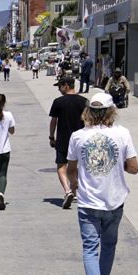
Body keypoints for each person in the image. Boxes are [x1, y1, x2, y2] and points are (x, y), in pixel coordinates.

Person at [66, 92, 138, 275]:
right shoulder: (122, 133)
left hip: (88, 201)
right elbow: (134, 168)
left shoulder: (77, 136)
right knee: (108, 246)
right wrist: (117, 164)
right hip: (114, 201)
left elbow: (71, 168)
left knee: (90, 248)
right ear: (111, 112)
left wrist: (74, 184)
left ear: (88, 112)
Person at [48, 76, 88, 209]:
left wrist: (51, 137)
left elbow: (54, 121)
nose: (59, 89)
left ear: (66, 85)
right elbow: (89, 120)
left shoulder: (58, 102)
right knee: (78, 166)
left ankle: (67, 190)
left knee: (61, 165)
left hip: (63, 139)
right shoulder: (84, 101)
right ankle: (75, 191)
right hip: (81, 139)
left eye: (60, 86)